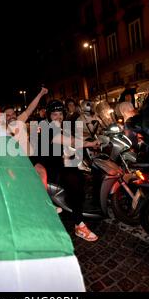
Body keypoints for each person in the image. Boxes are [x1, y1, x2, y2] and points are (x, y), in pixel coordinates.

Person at [37, 100, 100, 241]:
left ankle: (77, 203)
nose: (58, 117)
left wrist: (89, 139)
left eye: (60, 114)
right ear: (48, 115)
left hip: (60, 161)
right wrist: (89, 144)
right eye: (54, 114)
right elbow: (68, 141)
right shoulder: (46, 128)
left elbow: (71, 138)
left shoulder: (60, 127)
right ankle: (79, 224)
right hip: (48, 166)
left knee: (82, 174)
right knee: (74, 179)